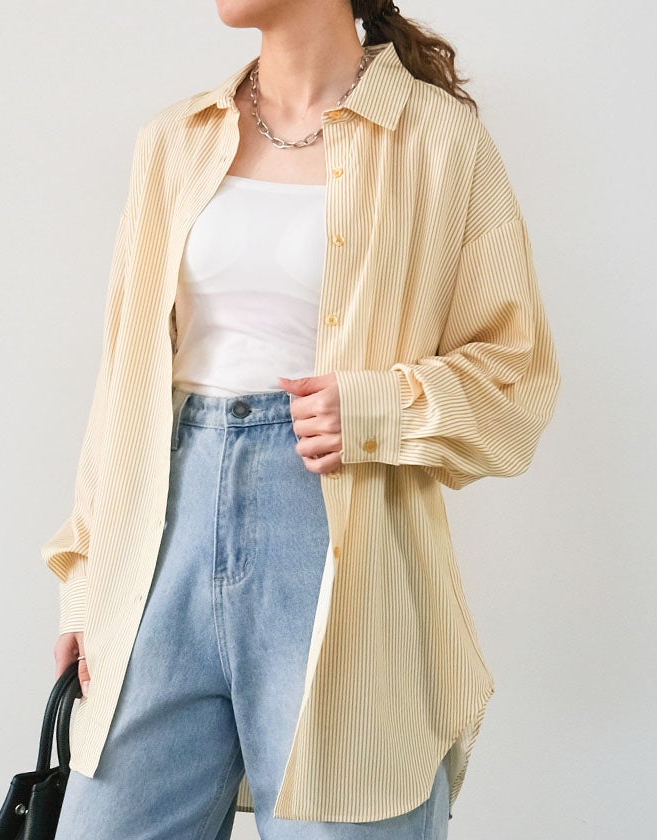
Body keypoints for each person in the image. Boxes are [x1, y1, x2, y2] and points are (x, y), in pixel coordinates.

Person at [44, 2, 561, 838]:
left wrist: (379, 408)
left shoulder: (437, 140)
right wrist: (84, 585)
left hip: (340, 551)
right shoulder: (175, 140)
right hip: (159, 547)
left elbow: (517, 374)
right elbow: (122, 382)